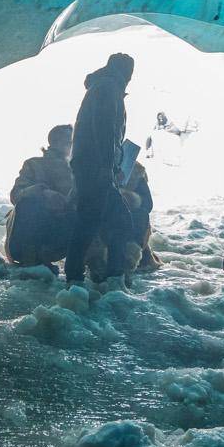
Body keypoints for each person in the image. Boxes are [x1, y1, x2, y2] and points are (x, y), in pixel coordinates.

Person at [67, 53, 134, 283]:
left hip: (91, 164)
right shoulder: (108, 87)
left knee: (96, 219)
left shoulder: (104, 85)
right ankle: (103, 276)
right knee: (100, 219)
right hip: (96, 166)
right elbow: (105, 130)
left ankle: (86, 274)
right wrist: (109, 166)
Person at [6, 125, 76, 266]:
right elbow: (16, 194)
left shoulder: (77, 170)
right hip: (26, 240)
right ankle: (30, 257)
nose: (72, 145)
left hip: (62, 232)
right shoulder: (34, 165)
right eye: (69, 142)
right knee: (30, 202)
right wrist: (43, 193)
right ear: (55, 142)